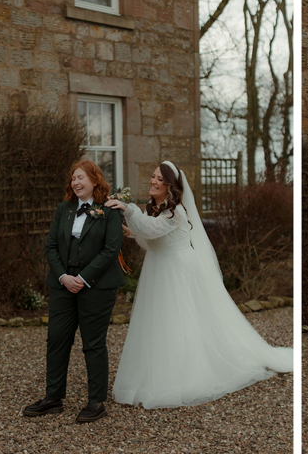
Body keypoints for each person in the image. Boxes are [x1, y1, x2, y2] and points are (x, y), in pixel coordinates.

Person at [106, 161, 293, 408]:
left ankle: (185, 377)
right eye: (153, 176)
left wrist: (128, 210)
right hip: (159, 268)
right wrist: (130, 232)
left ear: (171, 185)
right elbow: (149, 241)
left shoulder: (177, 212)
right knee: (159, 322)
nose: (153, 181)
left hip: (177, 270)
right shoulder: (156, 208)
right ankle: (157, 372)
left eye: (159, 179)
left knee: (180, 321)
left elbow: (152, 229)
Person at [24, 160, 125, 422]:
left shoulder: (110, 211)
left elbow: (111, 250)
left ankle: (96, 403)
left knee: (93, 344)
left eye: (81, 178)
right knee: (56, 340)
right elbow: (51, 246)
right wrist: (64, 277)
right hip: (63, 284)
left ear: (94, 180)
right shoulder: (63, 209)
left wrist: (82, 278)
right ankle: (53, 398)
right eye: (73, 179)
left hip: (97, 286)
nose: (75, 183)